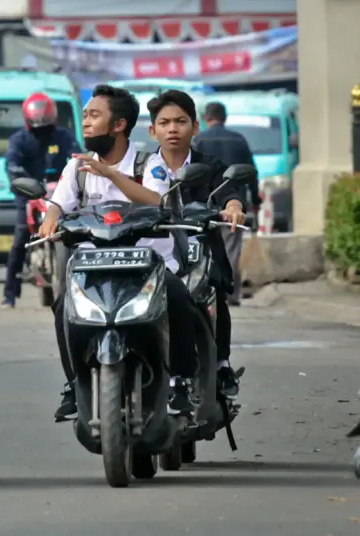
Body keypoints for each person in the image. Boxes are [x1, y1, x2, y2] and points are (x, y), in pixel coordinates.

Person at [42, 85, 207, 421]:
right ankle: (74, 384)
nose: (85, 123)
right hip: (93, 265)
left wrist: (111, 175)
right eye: (85, 116)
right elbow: (57, 204)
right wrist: (50, 222)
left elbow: (157, 201)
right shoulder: (78, 167)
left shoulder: (150, 163)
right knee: (63, 306)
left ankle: (180, 382)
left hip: (147, 265)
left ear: (118, 125)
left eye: (93, 115)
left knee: (178, 296)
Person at [72, 90, 245, 405]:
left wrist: (233, 206)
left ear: (195, 127)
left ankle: (219, 363)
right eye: (164, 123)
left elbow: (229, 192)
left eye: (180, 121)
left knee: (211, 290)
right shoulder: (145, 165)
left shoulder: (210, 165)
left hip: (197, 246)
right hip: (152, 252)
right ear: (152, 131)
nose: (173, 129)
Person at [2, 92, 81, 308]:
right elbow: (12, 166)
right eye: (38, 128)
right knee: (20, 240)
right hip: (29, 194)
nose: (42, 132)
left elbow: (77, 157)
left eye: (45, 127)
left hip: (58, 193)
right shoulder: (19, 140)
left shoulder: (63, 136)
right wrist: (24, 183)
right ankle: (10, 293)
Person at [195, 102, 260, 306]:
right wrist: (255, 199)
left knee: (201, 247)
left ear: (206, 118)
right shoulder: (238, 139)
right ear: (225, 117)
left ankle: (203, 290)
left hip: (204, 204)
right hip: (234, 204)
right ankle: (229, 294)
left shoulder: (199, 140)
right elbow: (251, 171)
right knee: (231, 249)